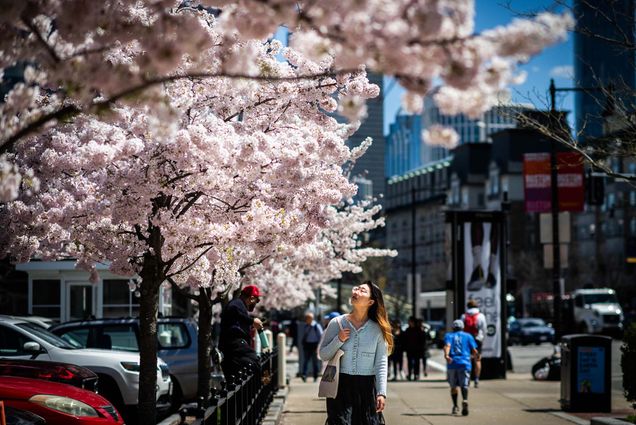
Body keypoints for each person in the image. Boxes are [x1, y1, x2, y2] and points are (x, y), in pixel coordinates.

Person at [319, 281, 393, 425]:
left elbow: (381, 363)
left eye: (362, 291)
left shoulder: (378, 329)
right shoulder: (336, 322)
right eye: (357, 288)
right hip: (340, 385)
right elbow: (323, 355)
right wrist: (338, 339)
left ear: (371, 301)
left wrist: (381, 392)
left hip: (366, 387)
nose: (356, 291)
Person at [218, 285, 264, 381]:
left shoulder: (239, 305)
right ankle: (266, 383)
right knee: (256, 361)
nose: (256, 303)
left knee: (234, 376)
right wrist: (251, 321)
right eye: (257, 300)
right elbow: (233, 310)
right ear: (251, 298)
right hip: (235, 344)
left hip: (229, 347)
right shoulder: (236, 304)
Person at [443, 319, 478, 416]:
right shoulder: (468, 336)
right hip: (465, 363)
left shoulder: (449, 336)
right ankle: (465, 400)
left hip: (452, 363)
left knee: (453, 387)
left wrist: (446, 355)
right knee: (464, 385)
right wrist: (477, 356)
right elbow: (474, 350)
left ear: (453, 327)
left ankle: (455, 406)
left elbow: (447, 346)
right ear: (463, 327)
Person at [461, 299, 487, 388]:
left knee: (467, 359)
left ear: (468, 306)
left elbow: (461, 329)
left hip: (466, 340)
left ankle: (467, 379)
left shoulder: (464, 316)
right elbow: (484, 329)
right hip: (477, 339)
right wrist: (482, 338)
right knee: (477, 360)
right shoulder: (481, 316)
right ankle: (476, 379)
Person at [301, 312, 324, 382]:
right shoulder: (306, 326)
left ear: (311, 318)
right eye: (306, 318)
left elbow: (321, 336)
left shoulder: (316, 326)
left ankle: (315, 376)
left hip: (314, 345)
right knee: (305, 361)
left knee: (315, 362)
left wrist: (319, 346)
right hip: (307, 345)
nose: (307, 320)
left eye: (308, 318)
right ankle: (304, 375)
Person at [402, 316, 425, 380]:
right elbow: (404, 340)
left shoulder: (418, 330)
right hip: (409, 349)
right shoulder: (407, 330)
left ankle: (416, 375)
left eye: (410, 321)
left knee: (416, 363)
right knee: (409, 362)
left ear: (413, 322)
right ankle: (409, 375)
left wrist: (421, 348)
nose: (409, 322)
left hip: (417, 349)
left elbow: (422, 339)